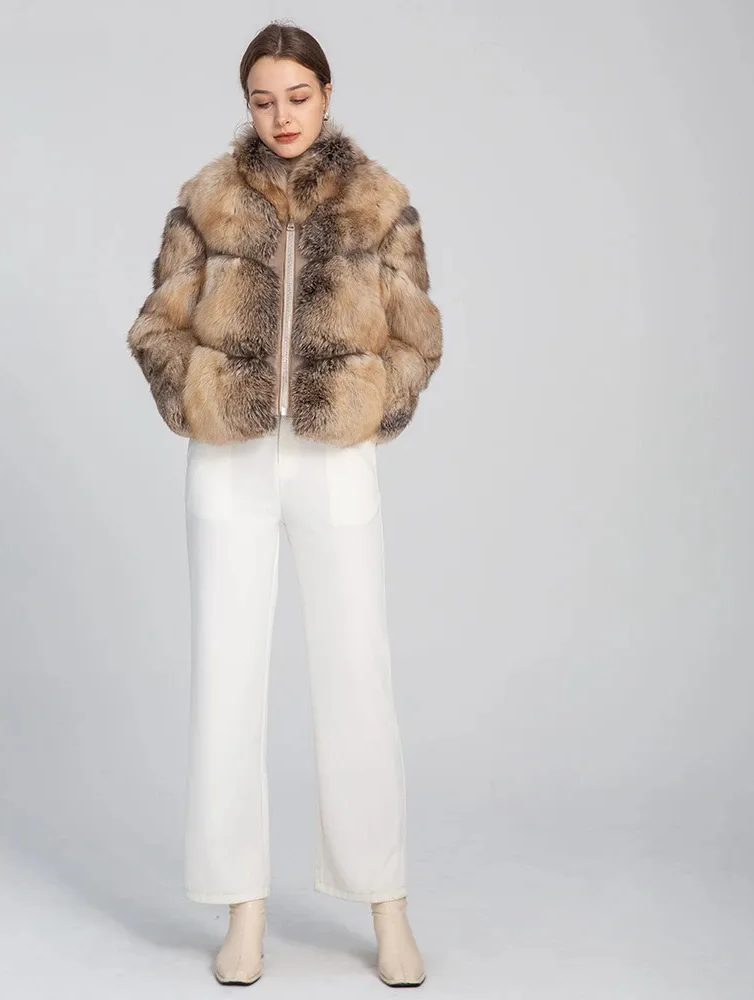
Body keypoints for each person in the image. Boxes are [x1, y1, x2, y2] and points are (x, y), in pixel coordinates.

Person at [126, 21, 442, 988]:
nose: (282, 116)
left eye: (297, 97)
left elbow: (418, 334)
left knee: (358, 675)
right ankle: (244, 911)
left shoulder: (379, 201)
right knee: (226, 678)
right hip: (230, 463)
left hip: (334, 461)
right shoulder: (207, 199)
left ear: (327, 94)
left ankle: (388, 906)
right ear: (247, 104)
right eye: (263, 100)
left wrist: (372, 405)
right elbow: (156, 327)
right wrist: (200, 400)